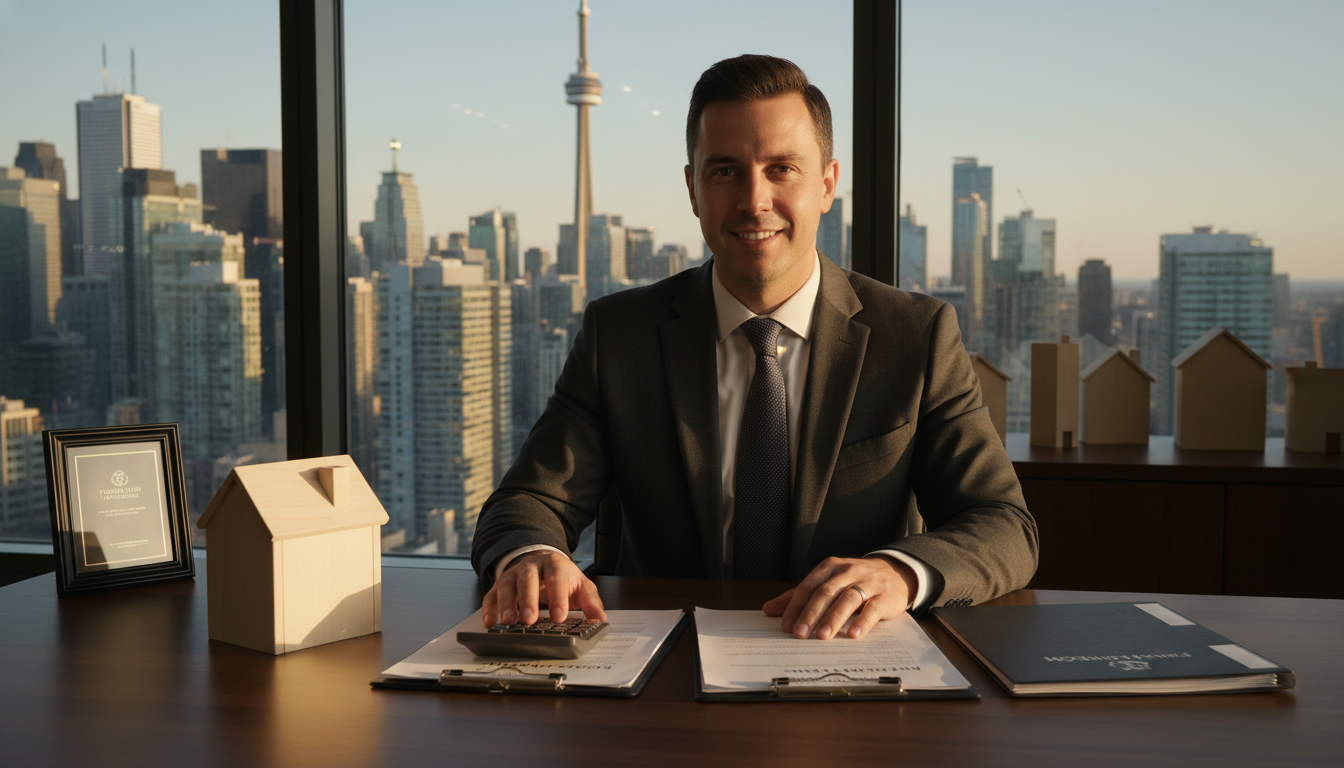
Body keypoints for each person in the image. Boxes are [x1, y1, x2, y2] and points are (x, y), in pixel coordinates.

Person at [471, 54, 1037, 641]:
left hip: (847, 668)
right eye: (724, 171)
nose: (754, 200)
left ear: (827, 184)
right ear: (692, 189)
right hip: (662, 670)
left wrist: (899, 572)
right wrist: (531, 555)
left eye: (782, 169)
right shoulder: (620, 336)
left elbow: (1002, 524)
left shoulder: (915, 336)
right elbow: (528, 500)